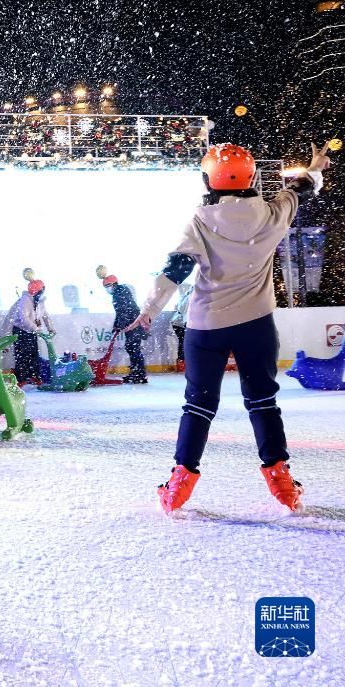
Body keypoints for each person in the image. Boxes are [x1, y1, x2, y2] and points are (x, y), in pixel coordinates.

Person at [127, 141, 331, 514]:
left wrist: (149, 309)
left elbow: (177, 269)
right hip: (256, 324)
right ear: (252, 176)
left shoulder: (200, 221)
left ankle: (177, 487)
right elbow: (300, 188)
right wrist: (315, 167)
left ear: (208, 181)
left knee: (198, 406)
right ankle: (283, 485)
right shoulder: (272, 214)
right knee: (263, 403)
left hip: (207, 326)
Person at [6, 280, 54, 386]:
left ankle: (34, 376)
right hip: (21, 330)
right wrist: (35, 328)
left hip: (31, 330)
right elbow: (23, 318)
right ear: (35, 291)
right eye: (41, 290)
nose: (42, 293)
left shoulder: (40, 301)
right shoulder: (25, 300)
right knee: (22, 355)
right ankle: (20, 379)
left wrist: (51, 328)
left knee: (33, 354)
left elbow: (45, 315)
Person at [102, 274, 148, 383]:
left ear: (114, 284)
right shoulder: (120, 292)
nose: (107, 289)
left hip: (134, 324)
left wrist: (120, 325)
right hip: (132, 324)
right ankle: (137, 373)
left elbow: (124, 311)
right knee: (132, 348)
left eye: (108, 286)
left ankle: (139, 374)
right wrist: (116, 325)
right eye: (105, 287)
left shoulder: (119, 294)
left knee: (133, 348)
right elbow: (120, 312)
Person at [170, 282, 193, 373]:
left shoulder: (185, 296)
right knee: (184, 343)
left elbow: (179, 308)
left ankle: (182, 363)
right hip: (180, 323)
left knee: (183, 343)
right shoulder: (189, 296)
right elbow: (183, 310)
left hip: (178, 322)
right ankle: (183, 363)